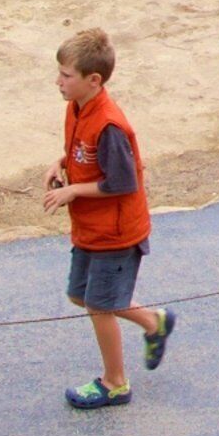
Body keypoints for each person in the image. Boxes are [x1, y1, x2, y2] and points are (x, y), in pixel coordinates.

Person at [44, 27, 176, 411]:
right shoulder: (76, 107)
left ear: (93, 80)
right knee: (81, 295)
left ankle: (115, 383)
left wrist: (71, 191)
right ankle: (154, 323)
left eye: (66, 76)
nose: (59, 82)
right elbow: (83, 153)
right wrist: (61, 163)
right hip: (90, 228)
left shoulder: (111, 125)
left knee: (99, 305)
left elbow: (122, 181)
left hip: (116, 233)